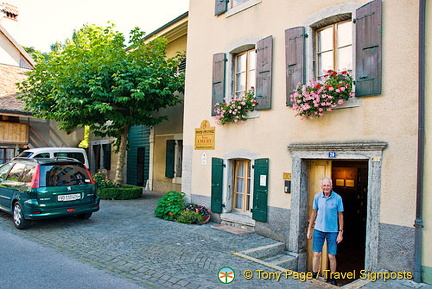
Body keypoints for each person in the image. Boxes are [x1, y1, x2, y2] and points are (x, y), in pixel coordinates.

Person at [307, 177, 344, 286]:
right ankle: (314, 275)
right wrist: (309, 229)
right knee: (317, 254)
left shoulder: (338, 198)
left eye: (328, 185)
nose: (326, 187)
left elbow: (341, 215)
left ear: (331, 186)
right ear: (321, 186)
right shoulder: (317, 197)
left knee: (331, 256)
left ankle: (333, 278)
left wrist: (340, 232)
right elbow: (314, 213)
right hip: (318, 229)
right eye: (324, 185)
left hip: (332, 231)